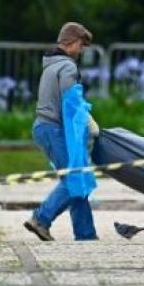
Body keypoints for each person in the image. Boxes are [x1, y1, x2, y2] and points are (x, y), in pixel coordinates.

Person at [24, 22, 100, 241]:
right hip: (53, 128)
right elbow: (71, 104)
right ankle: (41, 218)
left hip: (42, 128)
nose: (81, 51)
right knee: (75, 178)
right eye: (81, 45)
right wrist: (86, 123)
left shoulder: (50, 65)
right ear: (72, 42)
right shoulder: (67, 66)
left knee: (77, 177)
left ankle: (86, 235)